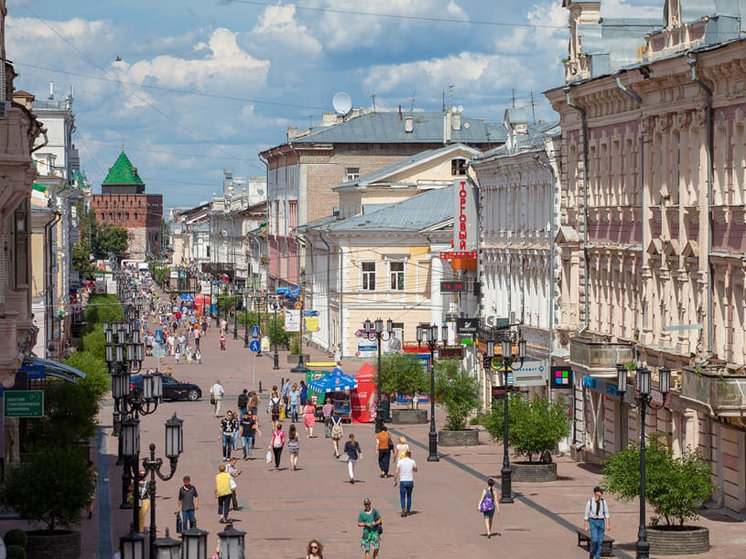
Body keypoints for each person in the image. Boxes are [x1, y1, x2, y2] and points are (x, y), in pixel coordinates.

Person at [584, 486, 611, 559]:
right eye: (599, 493)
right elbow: (586, 515)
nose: (600, 495)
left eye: (601, 494)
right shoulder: (590, 502)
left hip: (601, 522)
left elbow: (607, 513)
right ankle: (592, 553)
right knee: (594, 540)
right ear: (595, 493)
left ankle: (597, 557)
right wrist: (586, 526)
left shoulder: (603, 502)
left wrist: (608, 524)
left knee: (600, 542)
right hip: (593, 522)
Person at [395, 450, 418, 517]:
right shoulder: (412, 461)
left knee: (402, 496)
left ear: (405, 455)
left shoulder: (400, 461)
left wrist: (395, 479)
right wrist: (412, 469)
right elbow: (416, 470)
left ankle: (403, 508)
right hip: (410, 481)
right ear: (410, 456)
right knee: (409, 496)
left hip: (403, 481)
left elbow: (396, 471)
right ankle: (408, 510)